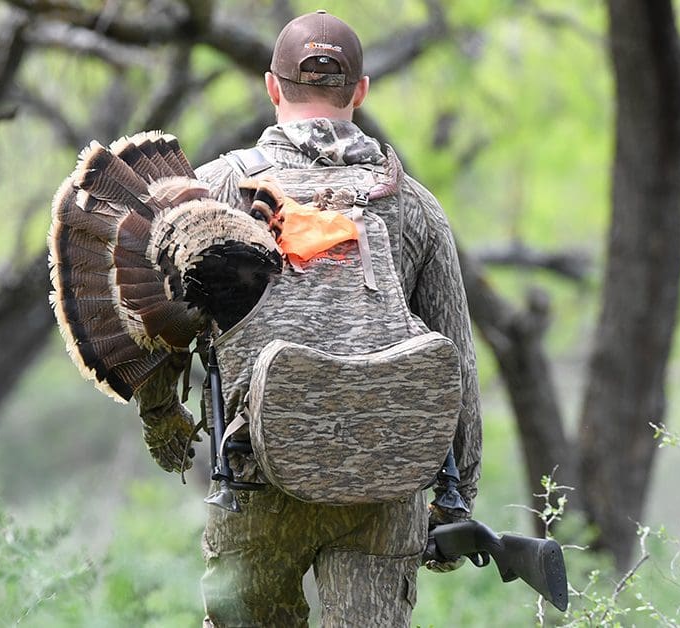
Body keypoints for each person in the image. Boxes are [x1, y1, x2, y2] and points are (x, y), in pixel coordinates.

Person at [180, 10, 484, 626]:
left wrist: (164, 421)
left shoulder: (213, 190)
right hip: (385, 482)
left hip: (255, 479)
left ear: (272, 87)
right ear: (361, 91)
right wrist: (456, 500)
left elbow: (158, 325)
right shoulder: (413, 204)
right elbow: (457, 363)